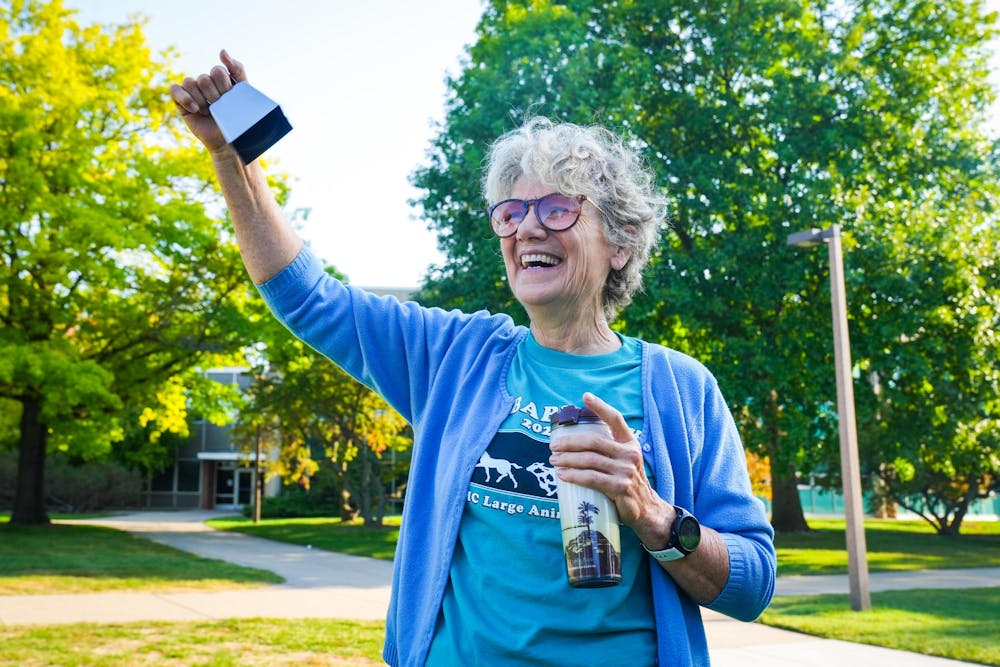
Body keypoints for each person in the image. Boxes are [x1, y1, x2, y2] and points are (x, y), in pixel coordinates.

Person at [171, 51, 776, 667]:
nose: (527, 230)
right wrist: (230, 156)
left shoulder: (681, 388)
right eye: (511, 213)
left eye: (558, 208)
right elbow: (306, 297)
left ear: (620, 243)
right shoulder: (458, 359)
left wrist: (651, 512)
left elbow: (753, 584)